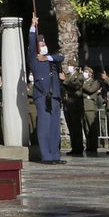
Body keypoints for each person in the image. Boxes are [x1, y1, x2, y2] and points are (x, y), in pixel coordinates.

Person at [26, 17, 63, 163]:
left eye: (44, 44)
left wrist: (47, 58)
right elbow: (31, 41)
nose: (43, 46)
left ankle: (55, 155)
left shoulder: (49, 58)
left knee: (55, 127)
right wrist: (33, 27)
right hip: (42, 94)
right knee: (45, 125)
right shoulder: (33, 58)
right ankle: (46, 156)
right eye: (40, 45)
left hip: (54, 94)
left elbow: (61, 56)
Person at [62, 59, 86, 156]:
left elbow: (76, 85)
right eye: (68, 65)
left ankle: (79, 147)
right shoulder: (68, 76)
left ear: (75, 66)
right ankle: (74, 147)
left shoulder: (79, 75)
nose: (69, 67)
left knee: (76, 127)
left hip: (75, 104)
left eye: (70, 65)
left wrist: (65, 80)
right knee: (71, 127)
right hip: (67, 104)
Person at [77, 66, 101, 156]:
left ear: (90, 74)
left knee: (92, 128)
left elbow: (90, 90)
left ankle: (94, 146)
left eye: (86, 72)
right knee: (86, 128)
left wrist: (82, 82)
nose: (84, 73)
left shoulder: (95, 82)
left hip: (90, 107)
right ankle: (89, 145)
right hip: (83, 107)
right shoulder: (83, 83)